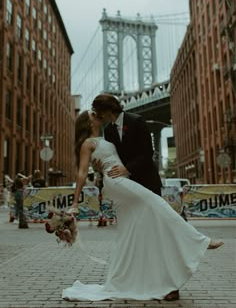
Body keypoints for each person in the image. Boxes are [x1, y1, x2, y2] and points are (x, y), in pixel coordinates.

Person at [62, 110, 223, 302]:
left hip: (125, 180)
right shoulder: (88, 143)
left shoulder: (107, 136)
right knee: (157, 204)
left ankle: (124, 280)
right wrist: (74, 203)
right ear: (88, 124)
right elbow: (81, 173)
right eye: (93, 114)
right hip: (115, 181)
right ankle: (201, 241)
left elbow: (130, 155)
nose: (98, 115)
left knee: (132, 234)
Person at [91, 93, 162, 196]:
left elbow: (147, 153)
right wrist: (100, 167)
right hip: (126, 185)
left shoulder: (137, 121)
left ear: (108, 110)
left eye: (100, 112)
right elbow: (113, 156)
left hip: (147, 182)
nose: (99, 116)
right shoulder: (108, 130)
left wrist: (127, 169)